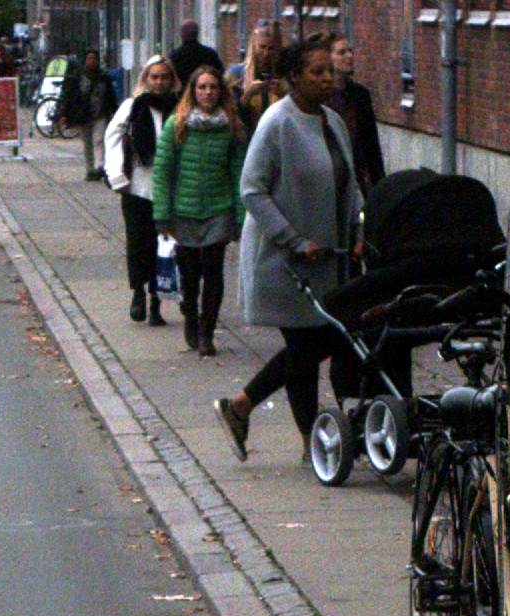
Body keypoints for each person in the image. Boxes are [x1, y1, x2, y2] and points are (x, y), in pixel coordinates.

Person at [215, 33, 361, 460]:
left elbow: (349, 182)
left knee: (314, 345)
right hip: (284, 261)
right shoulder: (277, 122)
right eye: (317, 72)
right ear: (294, 76)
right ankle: (305, 440)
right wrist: (293, 240)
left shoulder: (332, 121)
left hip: (327, 260)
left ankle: (244, 408)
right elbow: (252, 189)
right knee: (308, 346)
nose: (327, 78)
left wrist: (359, 228)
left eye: (329, 71)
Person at [150, 64, 247, 356]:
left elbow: (239, 172)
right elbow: (162, 171)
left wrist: (241, 216)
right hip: (184, 210)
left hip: (219, 209)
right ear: (193, 91)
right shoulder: (177, 125)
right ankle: (190, 317)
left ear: (221, 91)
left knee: (214, 272)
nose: (208, 92)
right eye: (202, 87)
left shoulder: (231, 127)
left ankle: (207, 331)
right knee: (190, 275)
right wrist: (161, 213)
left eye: (213, 87)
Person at [104, 55, 181, 326]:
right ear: (146, 79)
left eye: (164, 77)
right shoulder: (133, 106)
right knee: (138, 244)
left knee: (163, 247)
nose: (159, 82)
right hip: (137, 185)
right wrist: (116, 175)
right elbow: (112, 137)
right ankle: (138, 292)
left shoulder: (179, 107)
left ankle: (156, 302)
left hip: (169, 188)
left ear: (172, 79)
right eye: (154, 77)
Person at [325, 34, 384, 193]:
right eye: (342, 52)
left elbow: (371, 144)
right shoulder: (321, 96)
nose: (349, 56)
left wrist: (379, 184)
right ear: (328, 58)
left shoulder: (359, 95)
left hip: (356, 175)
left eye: (350, 51)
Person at [56, 49, 119, 181]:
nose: (92, 61)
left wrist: (115, 112)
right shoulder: (77, 77)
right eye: (89, 58)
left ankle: (99, 167)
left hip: (100, 113)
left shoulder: (104, 77)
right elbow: (68, 96)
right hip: (83, 115)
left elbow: (111, 96)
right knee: (87, 142)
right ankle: (90, 168)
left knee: (98, 140)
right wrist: (63, 113)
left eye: (94, 58)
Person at [226, 19, 283, 134]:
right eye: (262, 47)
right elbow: (228, 114)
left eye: (271, 48)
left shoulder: (286, 76)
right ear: (253, 46)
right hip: (247, 136)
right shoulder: (236, 74)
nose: (266, 53)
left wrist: (283, 94)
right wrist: (248, 94)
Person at [167, 20, 222, 90]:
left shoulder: (174, 56)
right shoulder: (210, 54)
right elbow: (219, 73)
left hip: (182, 92)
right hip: (206, 91)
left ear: (181, 35)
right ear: (197, 34)